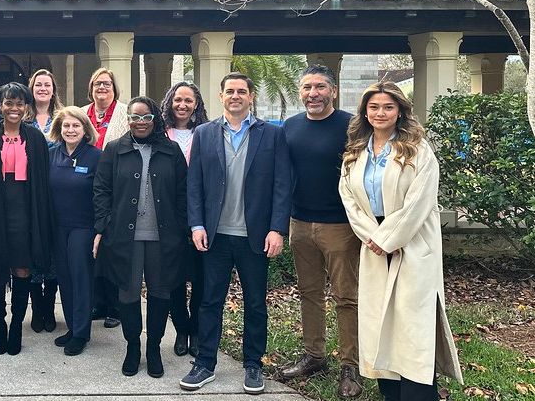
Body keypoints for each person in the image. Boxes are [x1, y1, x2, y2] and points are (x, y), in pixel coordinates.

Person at [338, 82, 463, 401]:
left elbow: (421, 201)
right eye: (374, 107)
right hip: (374, 247)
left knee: (412, 327)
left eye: (388, 107)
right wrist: (373, 236)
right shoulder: (356, 150)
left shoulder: (417, 148)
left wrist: (389, 238)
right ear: (365, 111)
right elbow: (349, 197)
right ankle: (391, 392)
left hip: (413, 244)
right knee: (381, 326)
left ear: (400, 111)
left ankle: (420, 393)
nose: (380, 113)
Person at [180, 72, 291, 395]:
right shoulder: (204, 134)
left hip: (254, 235)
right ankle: (205, 363)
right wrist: (196, 224)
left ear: (251, 96)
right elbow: (194, 184)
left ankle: (253, 364)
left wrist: (277, 229)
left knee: (255, 303)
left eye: (242, 91)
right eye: (230, 91)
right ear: (221, 96)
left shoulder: (271, 135)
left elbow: (282, 184)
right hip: (215, 234)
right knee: (209, 300)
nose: (236, 96)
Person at [279, 65, 362, 397]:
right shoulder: (289, 127)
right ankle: (314, 355)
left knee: (346, 297)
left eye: (319, 87)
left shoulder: (353, 127)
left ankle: (351, 366)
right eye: (307, 87)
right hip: (300, 224)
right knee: (309, 292)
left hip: (340, 225)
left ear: (333, 91)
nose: (313, 93)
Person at [93, 97, 188, 378]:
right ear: (128, 121)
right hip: (125, 237)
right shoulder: (114, 150)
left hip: (163, 237)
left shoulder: (171, 151)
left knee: (161, 293)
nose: (140, 122)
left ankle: (154, 347)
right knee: (128, 293)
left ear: (155, 119)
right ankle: (133, 346)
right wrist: (105, 224)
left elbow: (183, 193)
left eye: (146, 117)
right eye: (135, 117)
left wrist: (182, 227)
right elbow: (101, 190)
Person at [0, 82, 54, 356]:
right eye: (8, 103)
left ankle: (16, 323)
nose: (14, 108)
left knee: (22, 271)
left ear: (26, 107)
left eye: (19, 103)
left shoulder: (36, 139)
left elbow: (43, 183)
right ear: (0, 105)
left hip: (25, 216)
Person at [46, 106, 101, 356]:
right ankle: (71, 326)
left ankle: (81, 333)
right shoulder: (51, 154)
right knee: (64, 278)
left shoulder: (95, 157)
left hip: (83, 227)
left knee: (80, 278)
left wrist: (101, 229)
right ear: (59, 129)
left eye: (76, 125)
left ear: (84, 129)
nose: (70, 130)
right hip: (58, 227)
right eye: (66, 126)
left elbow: (103, 196)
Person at [160, 81, 209, 358]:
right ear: (170, 101)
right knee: (174, 279)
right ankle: (181, 328)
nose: (182, 105)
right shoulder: (161, 134)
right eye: (178, 99)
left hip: (201, 214)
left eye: (188, 100)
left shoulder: (207, 132)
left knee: (202, 278)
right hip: (169, 215)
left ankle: (198, 330)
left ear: (197, 104)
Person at [81, 67, 129, 329]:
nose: (102, 88)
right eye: (98, 84)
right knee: (91, 248)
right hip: (85, 188)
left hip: (115, 188)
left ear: (114, 88)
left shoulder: (124, 112)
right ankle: (98, 303)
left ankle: (115, 307)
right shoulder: (83, 112)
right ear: (91, 88)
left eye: (107, 84)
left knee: (111, 247)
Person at [26, 68, 63, 333]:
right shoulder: (22, 119)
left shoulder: (63, 119)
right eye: (38, 84)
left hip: (57, 195)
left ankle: (49, 307)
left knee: (52, 255)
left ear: (53, 89)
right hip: (28, 196)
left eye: (46, 84)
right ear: (32, 88)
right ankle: (36, 309)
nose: (42, 88)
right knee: (31, 253)